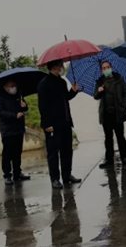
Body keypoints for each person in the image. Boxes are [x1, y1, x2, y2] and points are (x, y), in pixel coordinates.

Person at [38, 59, 82, 189]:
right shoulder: (44, 84)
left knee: (67, 150)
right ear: (54, 67)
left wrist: (73, 91)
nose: (62, 67)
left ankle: (67, 175)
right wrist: (46, 124)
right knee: (53, 153)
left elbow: (66, 98)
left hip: (65, 122)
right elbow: (42, 106)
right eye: (60, 65)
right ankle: (55, 179)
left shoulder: (62, 82)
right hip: (53, 125)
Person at [94, 61, 126, 168]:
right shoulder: (100, 81)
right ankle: (109, 159)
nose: (106, 69)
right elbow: (95, 96)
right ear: (101, 70)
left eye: (108, 67)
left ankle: (124, 157)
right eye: (104, 68)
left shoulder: (119, 79)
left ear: (111, 67)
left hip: (118, 113)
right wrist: (99, 91)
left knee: (120, 136)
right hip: (106, 114)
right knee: (108, 138)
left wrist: (123, 106)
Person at [0, 80, 31, 185]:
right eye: (11, 86)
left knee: (17, 152)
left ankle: (17, 172)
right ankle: (7, 175)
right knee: (8, 153)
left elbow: (25, 108)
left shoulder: (18, 95)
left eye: (15, 85)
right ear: (5, 87)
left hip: (18, 128)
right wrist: (14, 115)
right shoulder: (0, 98)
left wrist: (24, 106)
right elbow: (0, 112)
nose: (14, 88)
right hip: (7, 130)